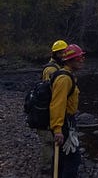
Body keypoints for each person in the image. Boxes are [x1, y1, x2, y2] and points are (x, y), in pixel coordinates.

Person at [50, 44, 85, 178]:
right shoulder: (64, 79)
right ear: (69, 61)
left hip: (67, 121)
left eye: (82, 57)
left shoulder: (68, 75)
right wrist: (57, 129)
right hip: (64, 123)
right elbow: (57, 104)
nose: (82, 60)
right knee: (72, 159)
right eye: (78, 58)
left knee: (62, 159)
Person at [38, 39, 68, 175]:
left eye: (65, 53)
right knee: (48, 141)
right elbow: (48, 92)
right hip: (45, 110)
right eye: (62, 53)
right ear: (55, 53)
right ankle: (46, 167)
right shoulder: (51, 69)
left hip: (51, 108)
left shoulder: (58, 67)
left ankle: (54, 163)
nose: (64, 55)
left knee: (51, 140)